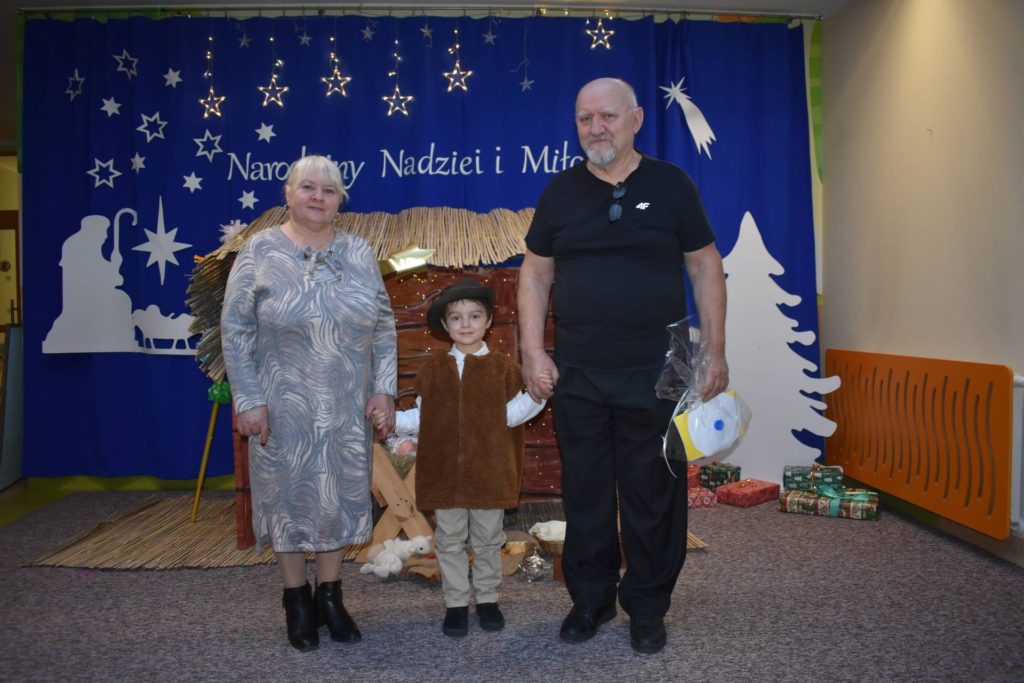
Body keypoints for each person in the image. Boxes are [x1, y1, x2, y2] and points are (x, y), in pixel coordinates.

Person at [517, 77, 729, 655]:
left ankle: (648, 603)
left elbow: (705, 265)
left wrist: (714, 350)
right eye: (585, 119)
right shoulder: (560, 191)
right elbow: (535, 273)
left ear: (636, 119)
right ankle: (590, 599)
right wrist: (533, 351)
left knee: (653, 492)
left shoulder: (671, 184)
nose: (596, 128)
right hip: (579, 371)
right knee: (585, 491)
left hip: (658, 370)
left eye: (607, 116)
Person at [221, 154, 398, 652]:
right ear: (288, 193)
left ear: (341, 200)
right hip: (281, 406)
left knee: (337, 497)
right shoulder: (259, 250)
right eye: (308, 188)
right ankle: (296, 599)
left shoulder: (358, 251)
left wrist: (383, 388)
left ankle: (331, 596)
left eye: (329, 190)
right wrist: (249, 399)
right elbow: (235, 331)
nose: (318, 197)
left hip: (345, 406)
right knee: (288, 501)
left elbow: (383, 326)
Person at [375, 279, 549, 638]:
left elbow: (511, 415)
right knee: (449, 540)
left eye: (474, 316)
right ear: (445, 324)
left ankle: (487, 599)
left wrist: (538, 394)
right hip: (445, 475)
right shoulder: (434, 370)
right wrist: (394, 421)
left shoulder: (503, 368)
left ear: (488, 321)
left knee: (488, 540)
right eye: (456, 317)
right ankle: (455, 603)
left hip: (489, 472)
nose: (465, 324)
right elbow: (423, 418)